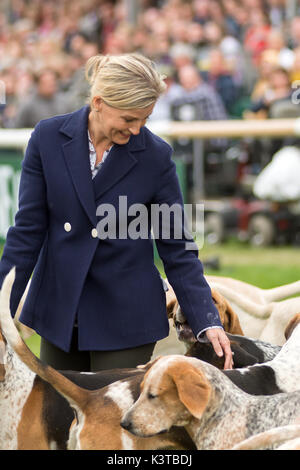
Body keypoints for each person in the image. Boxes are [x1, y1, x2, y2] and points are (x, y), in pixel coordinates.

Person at [0, 53, 233, 371]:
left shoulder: (157, 157)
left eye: (145, 119)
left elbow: (176, 247)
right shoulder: (47, 139)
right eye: (128, 119)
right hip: (59, 313)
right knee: (58, 419)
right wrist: (1, 312)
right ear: (98, 102)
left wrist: (207, 319)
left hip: (127, 318)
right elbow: (26, 233)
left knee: (114, 420)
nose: (137, 130)